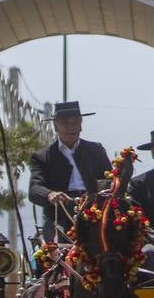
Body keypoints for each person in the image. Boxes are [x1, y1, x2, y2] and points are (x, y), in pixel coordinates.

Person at [28, 101, 111, 242]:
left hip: (96, 211)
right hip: (60, 216)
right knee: (54, 244)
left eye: (75, 122)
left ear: (81, 126)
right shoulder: (43, 157)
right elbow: (34, 189)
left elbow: (110, 179)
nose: (71, 127)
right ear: (56, 127)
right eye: (65, 123)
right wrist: (50, 194)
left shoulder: (96, 150)